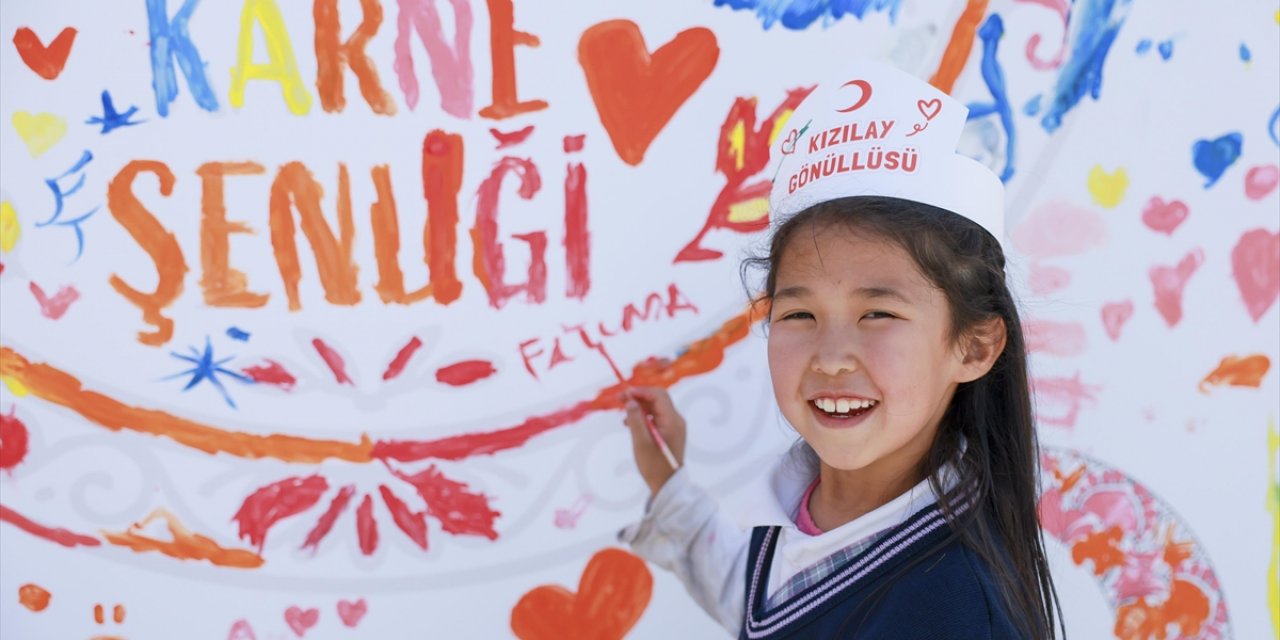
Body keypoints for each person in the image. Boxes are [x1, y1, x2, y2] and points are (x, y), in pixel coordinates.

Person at [618, 61, 1064, 639]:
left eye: (878, 314)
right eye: (799, 313)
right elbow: (766, 606)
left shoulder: (956, 609)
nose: (831, 357)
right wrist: (669, 484)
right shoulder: (810, 511)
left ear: (974, 346)